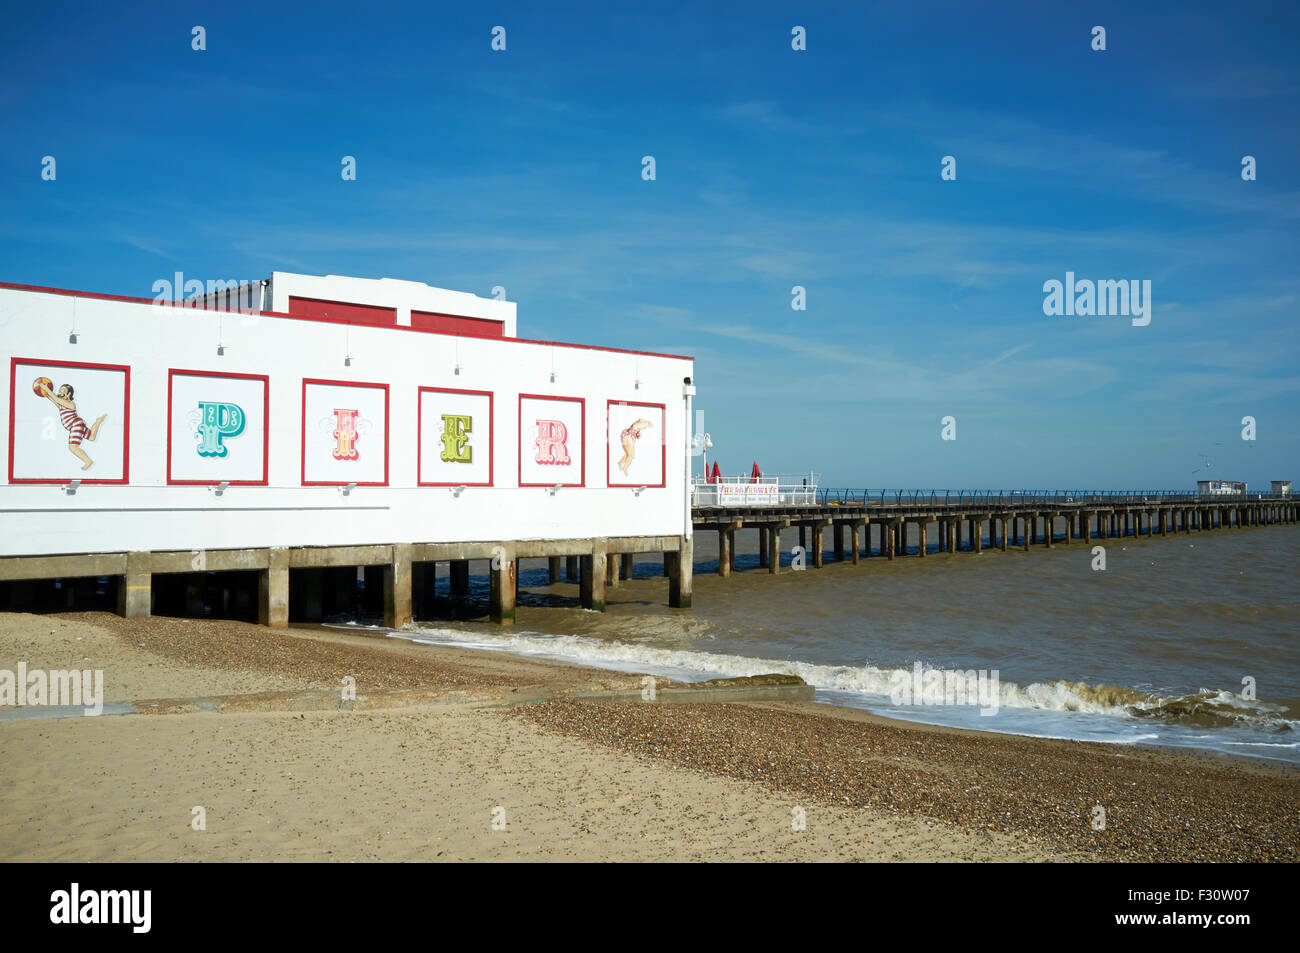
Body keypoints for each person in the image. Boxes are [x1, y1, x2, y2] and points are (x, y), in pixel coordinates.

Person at [38, 382, 107, 470]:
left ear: (68, 394)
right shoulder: (61, 404)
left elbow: (57, 399)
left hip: (76, 425)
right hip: (77, 424)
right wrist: (45, 393)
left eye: (62, 390)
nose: (59, 392)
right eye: (59, 390)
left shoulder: (71, 404)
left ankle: (88, 461)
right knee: (91, 437)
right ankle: (98, 422)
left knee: (73, 447)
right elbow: (55, 400)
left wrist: (47, 389)